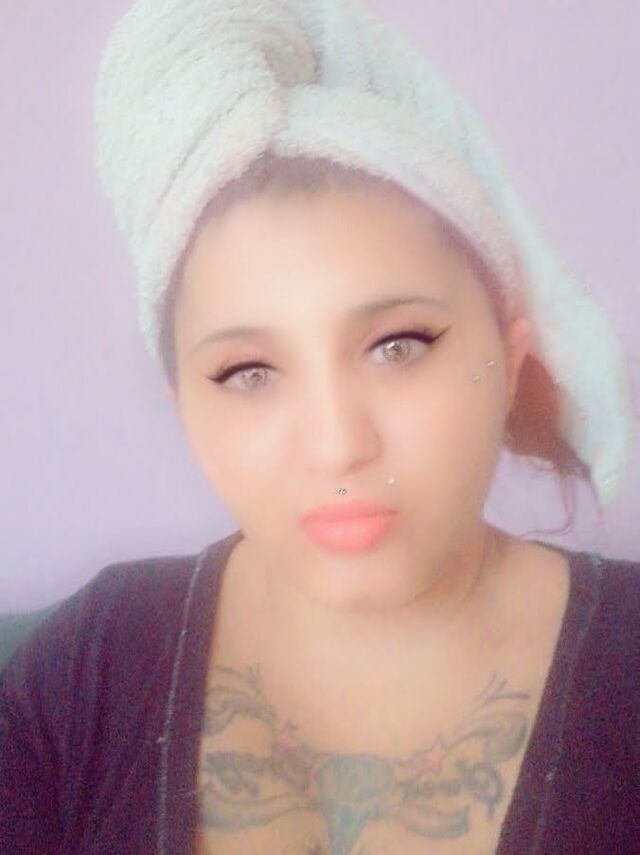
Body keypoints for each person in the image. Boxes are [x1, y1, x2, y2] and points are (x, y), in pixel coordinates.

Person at [1, 1, 638, 854]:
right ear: (185, 405)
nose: (337, 444)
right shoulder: (89, 665)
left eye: (398, 345)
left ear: (510, 359)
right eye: (249, 372)